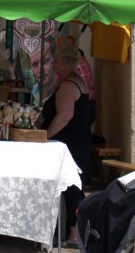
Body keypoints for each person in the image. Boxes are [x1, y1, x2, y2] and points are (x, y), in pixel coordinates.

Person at [41, 45, 92, 249]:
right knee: (73, 187)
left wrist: (44, 136)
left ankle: (73, 235)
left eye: (55, 61)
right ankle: (72, 233)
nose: (52, 64)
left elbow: (63, 117)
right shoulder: (73, 82)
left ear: (64, 63)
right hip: (77, 141)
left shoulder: (69, 85)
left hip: (70, 144)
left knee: (71, 188)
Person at [29, 36, 57, 106]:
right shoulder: (34, 91)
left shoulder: (64, 92)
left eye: (45, 62)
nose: (41, 70)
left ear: (55, 60)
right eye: (35, 64)